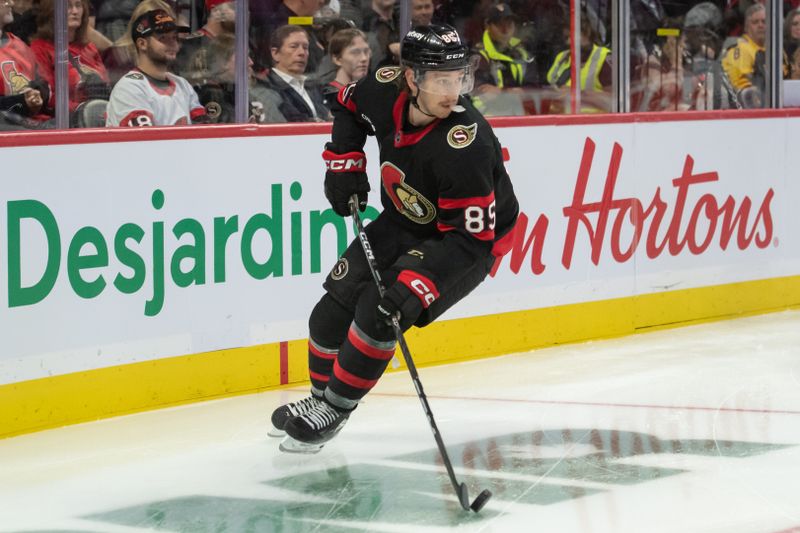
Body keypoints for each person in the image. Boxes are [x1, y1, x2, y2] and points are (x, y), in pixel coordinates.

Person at [269, 24, 519, 453]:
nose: (453, 90)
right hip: (403, 219)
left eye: (459, 78)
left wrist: (419, 285)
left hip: (466, 242)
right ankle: (319, 400)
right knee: (330, 310)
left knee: (380, 310)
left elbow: (471, 241)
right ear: (411, 78)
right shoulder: (384, 88)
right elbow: (347, 108)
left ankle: (336, 408)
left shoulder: (467, 144)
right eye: (441, 79)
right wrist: (344, 163)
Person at [105, 9, 207, 126]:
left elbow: (204, 130)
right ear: (142, 44)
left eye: (174, 37)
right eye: (163, 38)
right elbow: (144, 140)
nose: (173, 43)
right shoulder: (129, 88)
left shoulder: (182, 84)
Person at [31, 0, 111, 113]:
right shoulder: (39, 48)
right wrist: (81, 109)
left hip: (99, 113)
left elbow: (105, 84)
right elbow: (47, 95)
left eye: (78, 5)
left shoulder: (89, 47)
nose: (75, 11)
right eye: (68, 6)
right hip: (64, 119)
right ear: (52, 12)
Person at [471, 3, 537, 115]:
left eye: (509, 23)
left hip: (521, 121)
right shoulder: (477, 57)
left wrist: (502, 92)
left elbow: (534, 90)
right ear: (487, 26)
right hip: (487, 122)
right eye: (499, 24)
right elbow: (484, 93)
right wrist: (514, 93)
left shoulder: (524, 55)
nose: (505, 29)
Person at [255, 24, 330, 121]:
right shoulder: (267, 87)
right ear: (275, 53)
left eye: (305, 47)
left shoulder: (313, 85)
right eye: (294, 46)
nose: (301, 53)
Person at [0, 0, 51, 127]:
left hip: (34, 123)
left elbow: (44, 83)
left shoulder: (18, 44)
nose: (11, 3)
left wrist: (37, 93)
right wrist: (20, 102)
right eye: (4, 0)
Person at [721, 3, 767, 108]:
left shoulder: (776, 50)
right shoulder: (741, 48)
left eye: (764, 22)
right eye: (755, 22)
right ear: (746, 27)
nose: (760, 25)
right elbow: (743, 88)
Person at [321, 27, 370, 109]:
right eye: (355, 52)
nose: (364, 58)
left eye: (366, 52)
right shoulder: (328, 96)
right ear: (337, 59)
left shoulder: (371, 93)